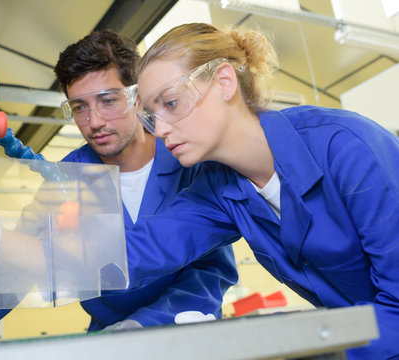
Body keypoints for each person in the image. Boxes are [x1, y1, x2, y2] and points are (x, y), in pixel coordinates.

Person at [0, 29, 238, 345]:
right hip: (104, 341)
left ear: (138, 96)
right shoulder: (65, 179)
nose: (94, 121)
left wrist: (144, 326)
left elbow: (210, 271)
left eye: (108, 100)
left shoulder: (188, 161)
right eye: (79, 107)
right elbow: (12, 269)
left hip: (183, 334)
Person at [117, 23, 398, 359]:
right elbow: (147, 246)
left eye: (172, 104)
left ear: (224, 82)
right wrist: (51, 255)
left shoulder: (347, 147)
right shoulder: (218, 188)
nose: (160, 130)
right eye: (151, 117)